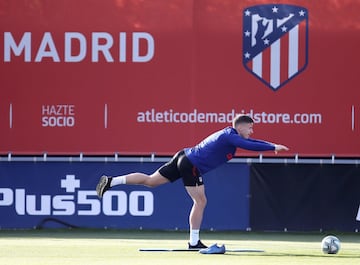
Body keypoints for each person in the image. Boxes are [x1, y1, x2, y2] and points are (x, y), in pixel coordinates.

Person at [96, 114, 289, 249]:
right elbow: (250, 144)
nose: (252, 131)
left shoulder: (230, 136)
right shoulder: (231, 136)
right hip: (191, 164)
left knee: (150, 181)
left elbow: (252, 142)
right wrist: (273, 146)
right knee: (201, 201)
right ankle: (194, 241)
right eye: (250, 127)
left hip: (184, 156)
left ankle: (111, 182)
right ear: (240, 126)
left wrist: (271, 146)